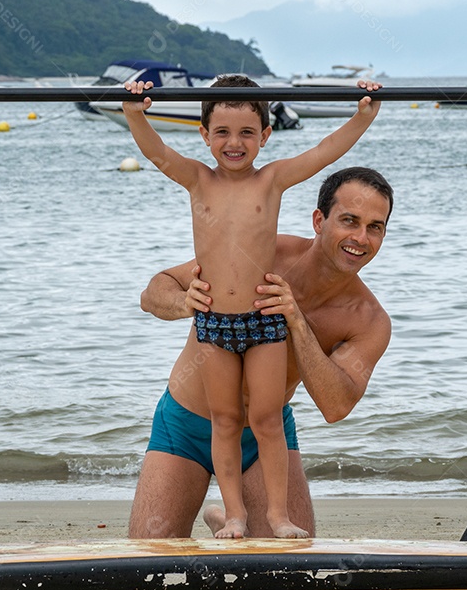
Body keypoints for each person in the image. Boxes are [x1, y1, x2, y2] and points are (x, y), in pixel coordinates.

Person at [122, 76, 382, 538]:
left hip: (265, 410)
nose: (360, 238)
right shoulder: (205, 186)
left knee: (292, 567)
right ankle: (232, 512)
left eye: (374, 227)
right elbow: (158, 156)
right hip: (189, 414)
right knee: (150, 556)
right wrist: (185, 302)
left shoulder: (368, 319)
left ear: (265, 136)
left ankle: (256, 515)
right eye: (349, 221)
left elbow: (324, 150)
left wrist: (362, 115)